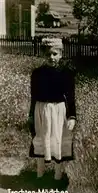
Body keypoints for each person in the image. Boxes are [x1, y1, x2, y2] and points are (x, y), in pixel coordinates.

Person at [28, 38, 76, 183]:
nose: (51, 57)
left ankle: (57, 174)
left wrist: (72, 116)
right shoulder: (37, 73)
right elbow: (34, 96)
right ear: (43, 55)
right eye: (48, 54)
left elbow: (71, 97)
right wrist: (31, 114)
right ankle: (40, 173)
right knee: (42, 139)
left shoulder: (66, 73)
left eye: (55, 54)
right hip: (40, 110)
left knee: (57, 140)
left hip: (58, 111)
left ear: (61, 54)